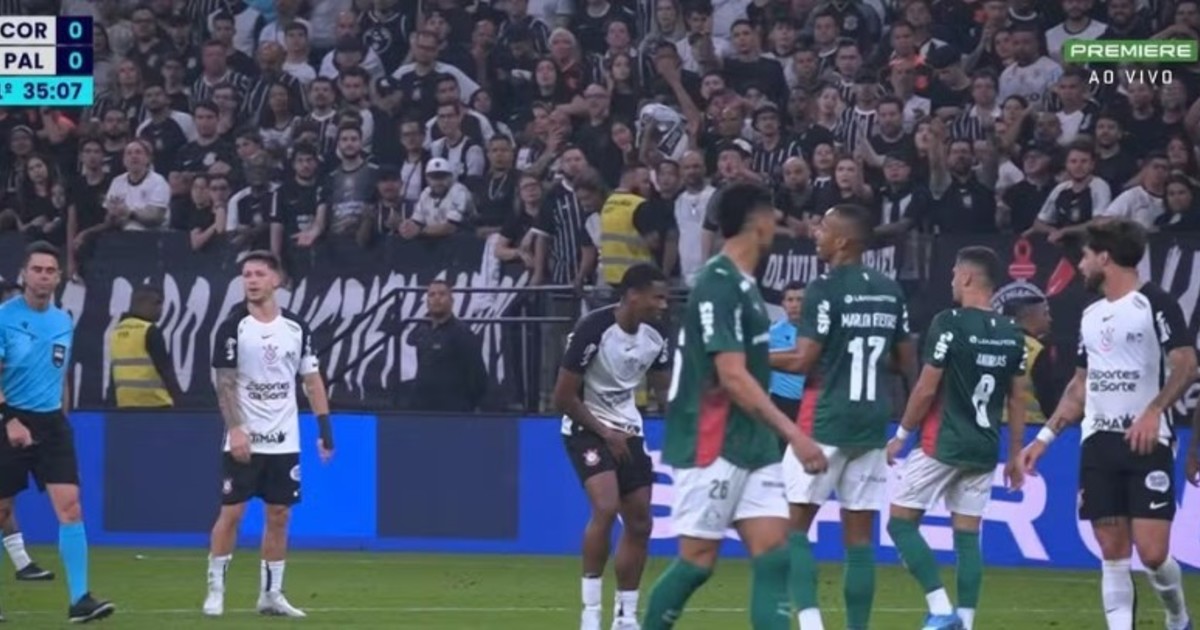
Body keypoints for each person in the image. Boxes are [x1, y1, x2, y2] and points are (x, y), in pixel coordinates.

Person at [641, 182, 828, 630]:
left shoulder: (745, 287)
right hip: (713, 439)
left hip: (752, 442)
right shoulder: (718, 283)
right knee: (697, 561)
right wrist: (795, 434)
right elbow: (732, 376)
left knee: (774, 553)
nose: (777, 225)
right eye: (773, 217)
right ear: (758, 222)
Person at [1022, 220, 1195, 630]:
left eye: (1085, 257)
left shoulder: (1155, 303)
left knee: (1152, 554)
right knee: (1112, 553)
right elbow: (1079, 387)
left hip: (1147, 442)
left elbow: (1187, 364)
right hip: (1099, 443)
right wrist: (1043, 439)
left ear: (1105, 258)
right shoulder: (1091, 315)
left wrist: (1154, 411)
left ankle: (1178, 617)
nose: (1081, 266)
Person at [770, 204, 915, 630]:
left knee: (792, 530)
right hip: (871, 424)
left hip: (826, 420)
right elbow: (904, 359)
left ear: (844, 241)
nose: (816, 233)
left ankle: (812, 625)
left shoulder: (824, 288)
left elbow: (801, 360)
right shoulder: (889, 289)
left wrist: (746, 357)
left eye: (824, 228)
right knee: (859, 541)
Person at [884, 246, 1030, 630]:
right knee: (967, 538)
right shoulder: (1013, 332)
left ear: (966, 277)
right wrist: (1015, 454)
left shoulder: (949, 323)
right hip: (984, 448)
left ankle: (940, 608)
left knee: (900, 524)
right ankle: (965, 622)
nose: (951, 280)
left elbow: (925, 389)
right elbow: (1017, 399)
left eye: (953, 274)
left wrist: (901, 435)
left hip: (942, 442)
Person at [203, 251, 334, 618]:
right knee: (232, 512)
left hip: (284, 439)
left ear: (276, 280)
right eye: (246, 275)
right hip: (245, 437)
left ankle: (271, 594)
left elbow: (311, 380)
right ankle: (216, 590)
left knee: (279, 514)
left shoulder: (296, 327)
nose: (252, 280)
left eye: (259, 274)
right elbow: (225, 384)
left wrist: (324, 429)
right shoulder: (233, 327)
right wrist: (236, 429)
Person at [0, 241, 114, 623]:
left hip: (51, 423)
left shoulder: (63, 320)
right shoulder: (4, 318)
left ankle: (80, 599)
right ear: (24, 275)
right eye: (37, 270)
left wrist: (62, 418)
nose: (43, 277)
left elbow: (58, 373)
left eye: (50, 271)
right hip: (10, 417)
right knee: (2, 509)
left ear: (59, 277)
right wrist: (8, 420)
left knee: (71, 507)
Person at [553, 263, 671, 630]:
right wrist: (605, 432)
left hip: (628, 429)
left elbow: (664, 391)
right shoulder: (593, 329)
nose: (663, 305)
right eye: (657, 297)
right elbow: (563, 397)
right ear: (633, 296)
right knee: (605, 507)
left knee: (640, 522)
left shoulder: (657, 335)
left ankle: (625, 616)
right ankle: (590, 613)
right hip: (586, 425)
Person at [407, 280, 488, 412]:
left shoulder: (462, 332)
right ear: (427, 302)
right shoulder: (421, 331)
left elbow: (478, 373)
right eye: (432, 295)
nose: (436, 298)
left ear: (451, 300)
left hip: (453, 411)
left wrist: (472, 404)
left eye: (442, 294)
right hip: (422, 409)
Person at [109, 285, 182, 408]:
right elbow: (165, 370)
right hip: (156, 404)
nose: (161, 310)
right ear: (146, 304)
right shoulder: (149, 330)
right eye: (158, 304)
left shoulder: (117, 331)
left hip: (125, 405)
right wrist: (179, 401)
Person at [1004, 296, 1058, 423]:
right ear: (1031, 317)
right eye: (1045, 314)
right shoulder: (1036, 350)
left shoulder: (993, 344)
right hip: (1030, 425)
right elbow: (1047, 397)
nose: (1050, 319)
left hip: (997, 424)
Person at [768, 282, 806, 432]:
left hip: (810, 402)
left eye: (799, 300)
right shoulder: (772, 332)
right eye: (790, 300)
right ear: (783, 304)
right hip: (780, 401)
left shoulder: (818, 333)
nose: (794, 305)